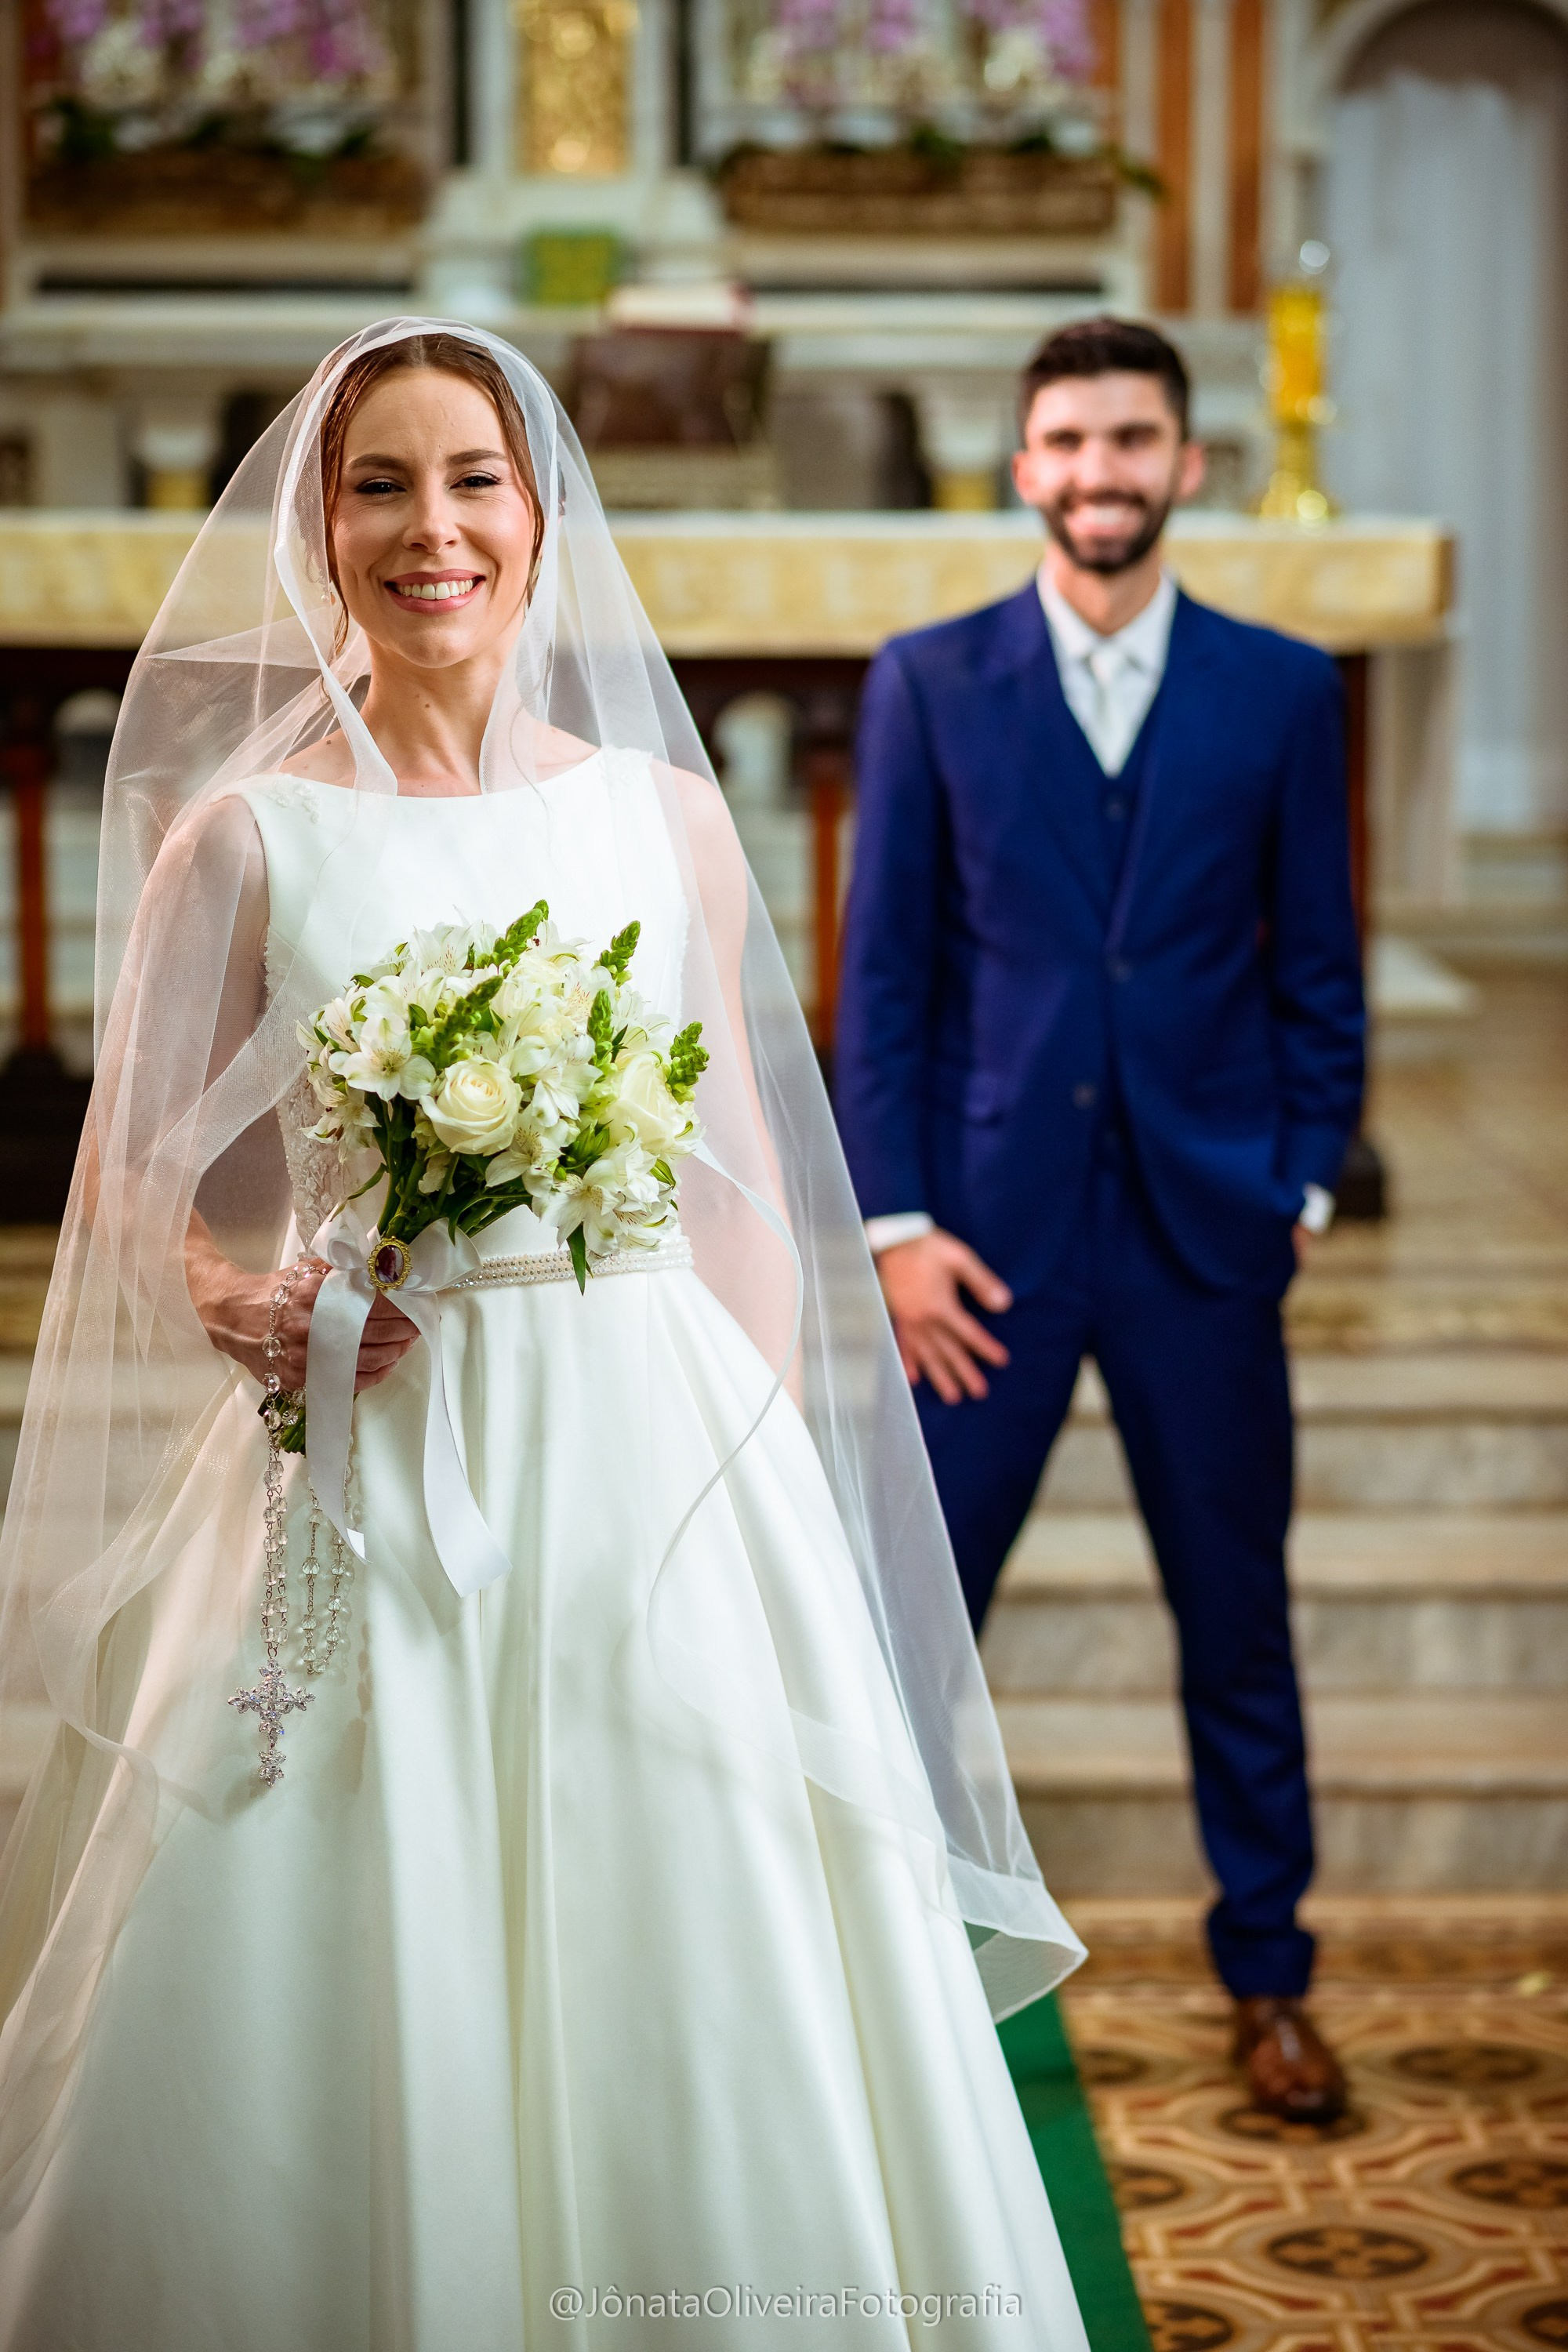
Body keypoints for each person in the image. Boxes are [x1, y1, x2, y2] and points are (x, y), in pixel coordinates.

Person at [0, 322, 1091, 2350]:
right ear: (321, 532)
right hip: (365, 1453)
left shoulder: (665, 820)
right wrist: (219, 1287)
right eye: (383, 485)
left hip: (642, 1452)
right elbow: (129, 1175)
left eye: (473, 481)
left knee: (688, 1923)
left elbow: (748, 1185)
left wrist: (752, 1487)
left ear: (541, 510)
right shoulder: (240, 838)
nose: (436, 530)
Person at [836, 317, 1365, 2124]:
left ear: (1186, 463)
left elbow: (1322, 975)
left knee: (1236, 1622)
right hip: (978, 1251)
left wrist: (1294, 1180)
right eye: (1065, 441)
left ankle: (1273, 1982)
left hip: (1205, 1246)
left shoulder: (1285, 691)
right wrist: (895, 1225)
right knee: (913, 1623)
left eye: (1131, 439)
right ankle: (872, 1976)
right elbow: (884, 981)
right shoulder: (926, 681)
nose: (1098, 472)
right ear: (1021, 467)